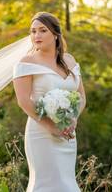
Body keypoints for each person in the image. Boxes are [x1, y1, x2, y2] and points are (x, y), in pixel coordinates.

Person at [12, 12, 86, 191]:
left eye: (42, 30)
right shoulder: (26, 62)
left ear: (55, 34)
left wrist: (72, 119)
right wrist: (51, 126)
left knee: (67, 183)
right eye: (33, 31)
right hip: (42, 132)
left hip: (68, 133)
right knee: (45, 184)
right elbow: (23, 101)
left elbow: (82, 96)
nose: (36, 36)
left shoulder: (69, 60)